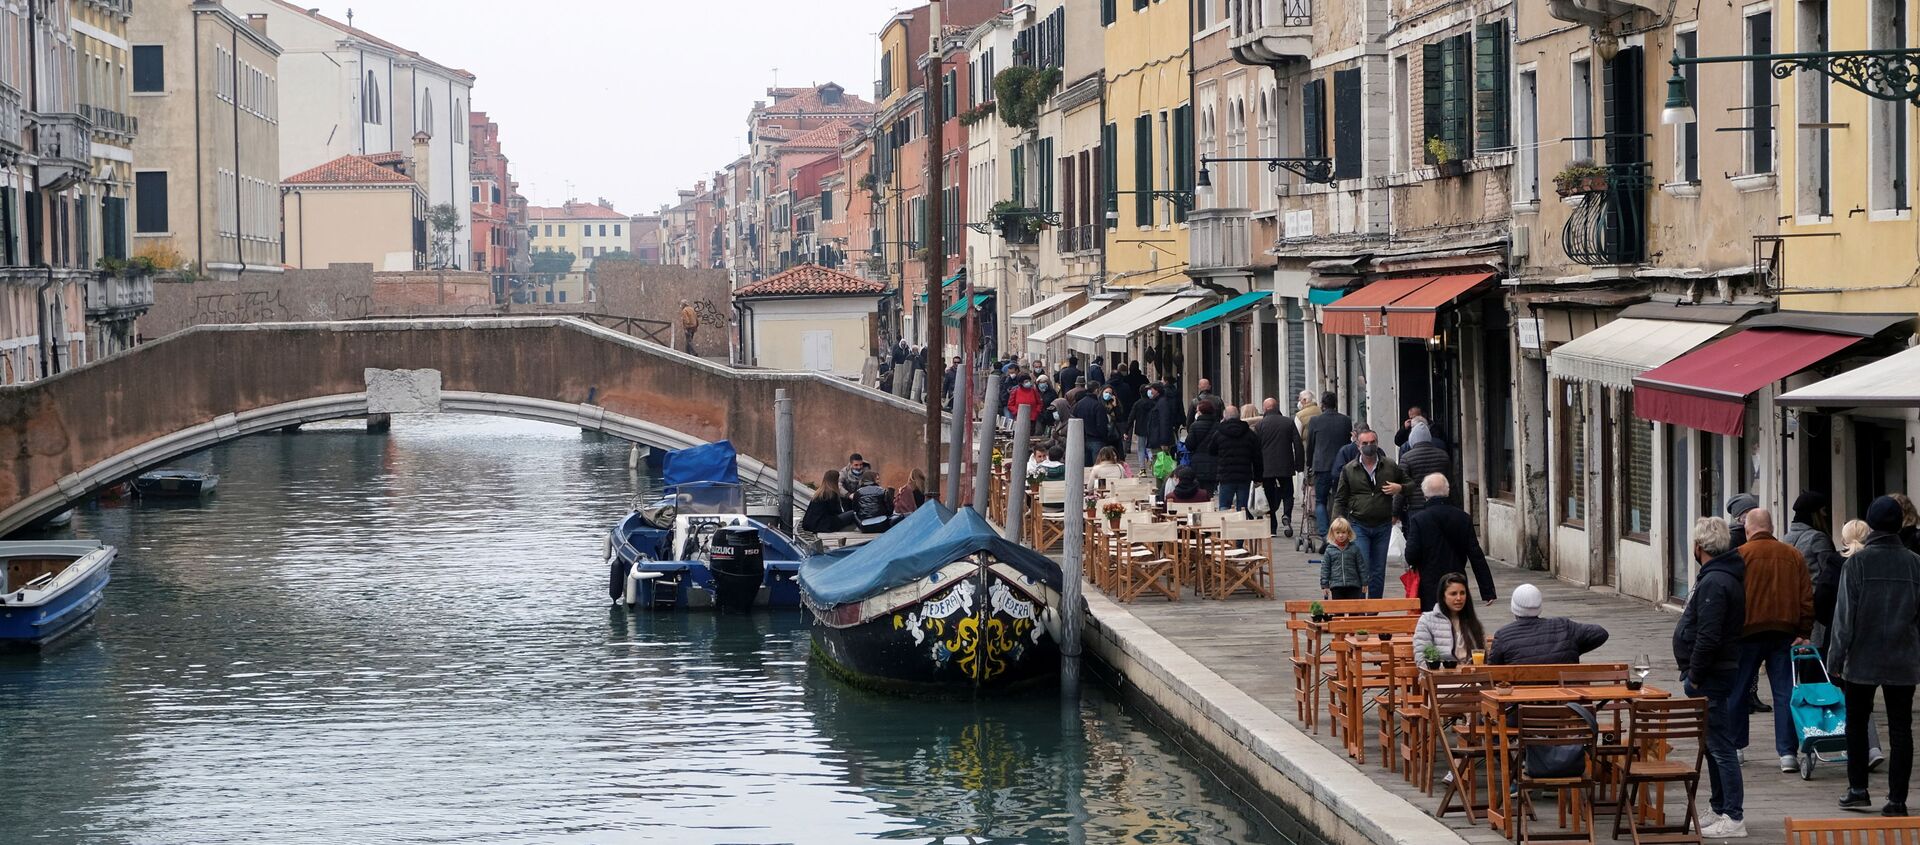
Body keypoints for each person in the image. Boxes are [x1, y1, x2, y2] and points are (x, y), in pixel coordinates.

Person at [1831, 496, 1920, 818]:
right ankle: (1897, 799)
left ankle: (1858, 789)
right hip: (1903, 657)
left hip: (1862, 658)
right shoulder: (1914, 563)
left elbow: (1844, 619)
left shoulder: (1857, 563)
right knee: (1901, 728)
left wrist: (1834, 660)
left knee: (1856, 724)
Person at [1670, 516, 1747, 838]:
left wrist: (1696, 677)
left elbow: (1709, 635)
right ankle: (1719, 808)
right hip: (1715, 671)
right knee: (1712, 744)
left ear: (1698, 547)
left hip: (1711, 675)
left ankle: (1733, 815)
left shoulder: (1716, 581)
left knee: (1720, 746)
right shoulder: (1720, 576)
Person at [1733, 507, 1814, 773]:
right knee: (1785, 692)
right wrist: (1804, 631)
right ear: (1772, 527)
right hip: (1785, 633)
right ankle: (1787, 753)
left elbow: (1731, 597)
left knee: (1739, 690)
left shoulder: (1740, 556)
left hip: (1746, 633)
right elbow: (1806, 598)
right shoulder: (1793, 555)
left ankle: (1736, 747)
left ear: (1748, 530)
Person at [1330, 428, 1408, 599]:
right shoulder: (1349, 469)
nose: (1369, 446)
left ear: (1377, 444)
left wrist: (1399, 488)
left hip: (1383, 524)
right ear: (1358, 445)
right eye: (1365, 443)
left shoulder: (1389, 465)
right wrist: (1337, 523)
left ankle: (1374, 608)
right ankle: (1359, 607)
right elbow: (1340, 498)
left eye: (1372, 443)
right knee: (1361, 565)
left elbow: (1410, 484)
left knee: (1378, 570)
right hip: (1359, 523)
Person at [1404, 474, 1495, 613]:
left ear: (1425, 494)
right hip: (1456, 581)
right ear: (1447, 492)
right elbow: (1476, 555)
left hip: (1429, 584)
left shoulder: (1419, 519)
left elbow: (1411, 555)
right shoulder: (1463, 518)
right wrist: (1487, 590)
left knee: (1432, 624)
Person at [1488, 583, 1610, 665]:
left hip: (1520, 701)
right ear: (1540, 606)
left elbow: (1493, 669)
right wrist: (1573, 647)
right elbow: (1600, 633)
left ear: (1513, 608)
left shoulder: (1503, 635)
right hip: (1565, 699)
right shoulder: (1564, 626)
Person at [1306, 393, 1354, 538]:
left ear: (1322, 405)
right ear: (1336, 404)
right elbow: (1348, 443)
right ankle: (1339, 533)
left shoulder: (1315, 421)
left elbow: (1310, 445)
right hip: (1341, 467)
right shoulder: (1345, 421)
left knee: (1320, 500)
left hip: (1322, 466)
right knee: (1340, 500)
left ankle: (1324, 534)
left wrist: (1309, 464)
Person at [1255, 397, 1304, 537]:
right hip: (1285, 465)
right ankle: (1287, 515)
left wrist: (1257, 470)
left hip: (1267, 467)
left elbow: (1256, 449)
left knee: (1269, 495)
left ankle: (1272, 527)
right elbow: (1298, 445)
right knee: (1288, 493)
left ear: (1265, 409)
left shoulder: (1260, 425)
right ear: (1277, 407)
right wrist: (1299, 465)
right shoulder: (1288, 422)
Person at [1414, 572, 1488, 663]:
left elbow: (1484, 657)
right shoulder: (1427, 621)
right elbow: (1422, 661)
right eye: (1453, 594)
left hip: (1472, 675)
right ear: (1443, 596)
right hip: (1441, 675)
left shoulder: (1473, 622)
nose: (1459, 598)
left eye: (1462, 593)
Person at [1209, 404, 1262, 511]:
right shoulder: (1249, 433)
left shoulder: (1219, 433)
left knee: (1224, 506)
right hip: (1244, 476)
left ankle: (1225, 525)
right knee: (1243, 507)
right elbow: (1257, 457)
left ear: (1224, 417)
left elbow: (1211, 451)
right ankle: (1242, 525)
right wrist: (1258, 477)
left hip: (1225, 475)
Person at [1396, 422, 1451, 513]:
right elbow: (1451, 483)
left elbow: (1401, 488)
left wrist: (1395, 512)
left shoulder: (1406, 458)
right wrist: (1457, 505)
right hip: (1441, 506)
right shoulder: (1443, 455)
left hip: (1416, 506)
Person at [1320, 518, 1364, 600]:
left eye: (1343, 532)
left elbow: (1361, 566)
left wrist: (1364, 582)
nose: (1341, 535)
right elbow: (1325, 568)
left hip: (1353, 585)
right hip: (1336, 586)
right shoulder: (1329, 550)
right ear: (1333, 534)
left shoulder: (1354, 548)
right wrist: (1325, 585)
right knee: (1338, 610)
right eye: (1338, 533)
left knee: (1354, 610)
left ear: (1348, 533)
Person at [1185, 401, 1223, 495]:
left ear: (1200, 412)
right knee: (1210, 491)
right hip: (1214, 462)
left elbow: (1189, 445)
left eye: (1197, 411)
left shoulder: (1194, 426)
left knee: (1198, 492)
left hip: (1197, 463)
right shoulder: (1218, 426)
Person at [1072, 386, 1113, 465]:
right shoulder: (1098, 405)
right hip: (1097, 439)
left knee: (1085, 466)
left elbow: (1074, 419)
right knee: (1097, 465)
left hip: (1082, 439)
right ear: (1097, 390)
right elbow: (1101, 424)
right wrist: (1105, 437)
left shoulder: (1079, 404)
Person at [1130, 385, 1162, 465]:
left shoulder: (1137, 404)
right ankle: (1152, 461)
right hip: (1152, 428)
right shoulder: (1154, 403)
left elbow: (1131, 417)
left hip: (1140, 429)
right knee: (1150, 447)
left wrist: (1127, 430)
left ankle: (1142, 468)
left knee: (1141, 448)